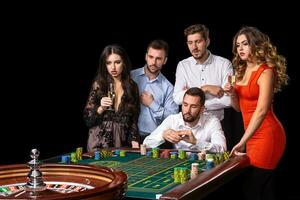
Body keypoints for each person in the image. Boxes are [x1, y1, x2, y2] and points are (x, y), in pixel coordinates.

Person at [224, 26, 289, 200]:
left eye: (245, 44)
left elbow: (261, 111)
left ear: (255, 45)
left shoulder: (266, 71)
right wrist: (231, 94)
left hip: (268, 135)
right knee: (263, 191)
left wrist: (241, 142)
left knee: (252, 190)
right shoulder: (240, 71)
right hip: (251, 136)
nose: (240, 49)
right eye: (238, 45)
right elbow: (239, 108)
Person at [173, 24, 239, 149]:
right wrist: (205, 88)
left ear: (207, 41)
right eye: (190, 42)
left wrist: (192, 103)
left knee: (216, 162)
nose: (194, 47)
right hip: (190, 127)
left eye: (198, 41)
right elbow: (177, 98)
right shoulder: (183, 66)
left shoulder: (224, 64)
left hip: (217, 124)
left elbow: (229, 99)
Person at [84, 44, 140, 151]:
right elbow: (88, 120)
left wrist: (135, 142)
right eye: (109, 63)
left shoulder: (132, 87)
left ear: (124, 63)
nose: (113, 67)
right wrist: (101, 108)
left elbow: (133, 120)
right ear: (104, 65)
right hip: (100, 142)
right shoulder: (99, 85)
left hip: (123, 143)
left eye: (117, 62)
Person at [143, 87, 226, 153]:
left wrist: (196, 142)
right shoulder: (173, 119)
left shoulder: (212, 121)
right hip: (178, 164)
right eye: (185, 105)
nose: (187, 110)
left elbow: (222, 150)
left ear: (202, 109)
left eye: (193, 106)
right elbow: (146, 144)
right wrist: (162, 136)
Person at [131, 39, 179, 142]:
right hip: (128, 137)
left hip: (154, 139)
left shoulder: (169, 88)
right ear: (146, 56)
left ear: (165, 61)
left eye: (158, 59)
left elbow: (174, 118)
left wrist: (152, 104)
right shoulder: (130, 77)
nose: (153, 62)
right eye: (151, 57)